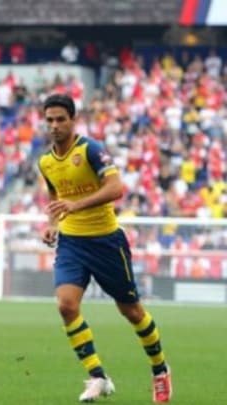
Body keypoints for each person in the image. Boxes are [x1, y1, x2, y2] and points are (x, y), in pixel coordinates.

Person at [38, 94, 172, 403]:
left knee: (132, 311)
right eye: (50, 120)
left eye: (60, 119)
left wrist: (76, 205)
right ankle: (98, 377)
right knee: (66, 305)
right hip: (71, 243)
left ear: (73, 120)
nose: (55, 125)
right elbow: (54, 195)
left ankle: (160, 369)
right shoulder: (45, 161)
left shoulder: (91, 150)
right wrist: (53, 223)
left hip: (106, 241)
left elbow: (116, 188)